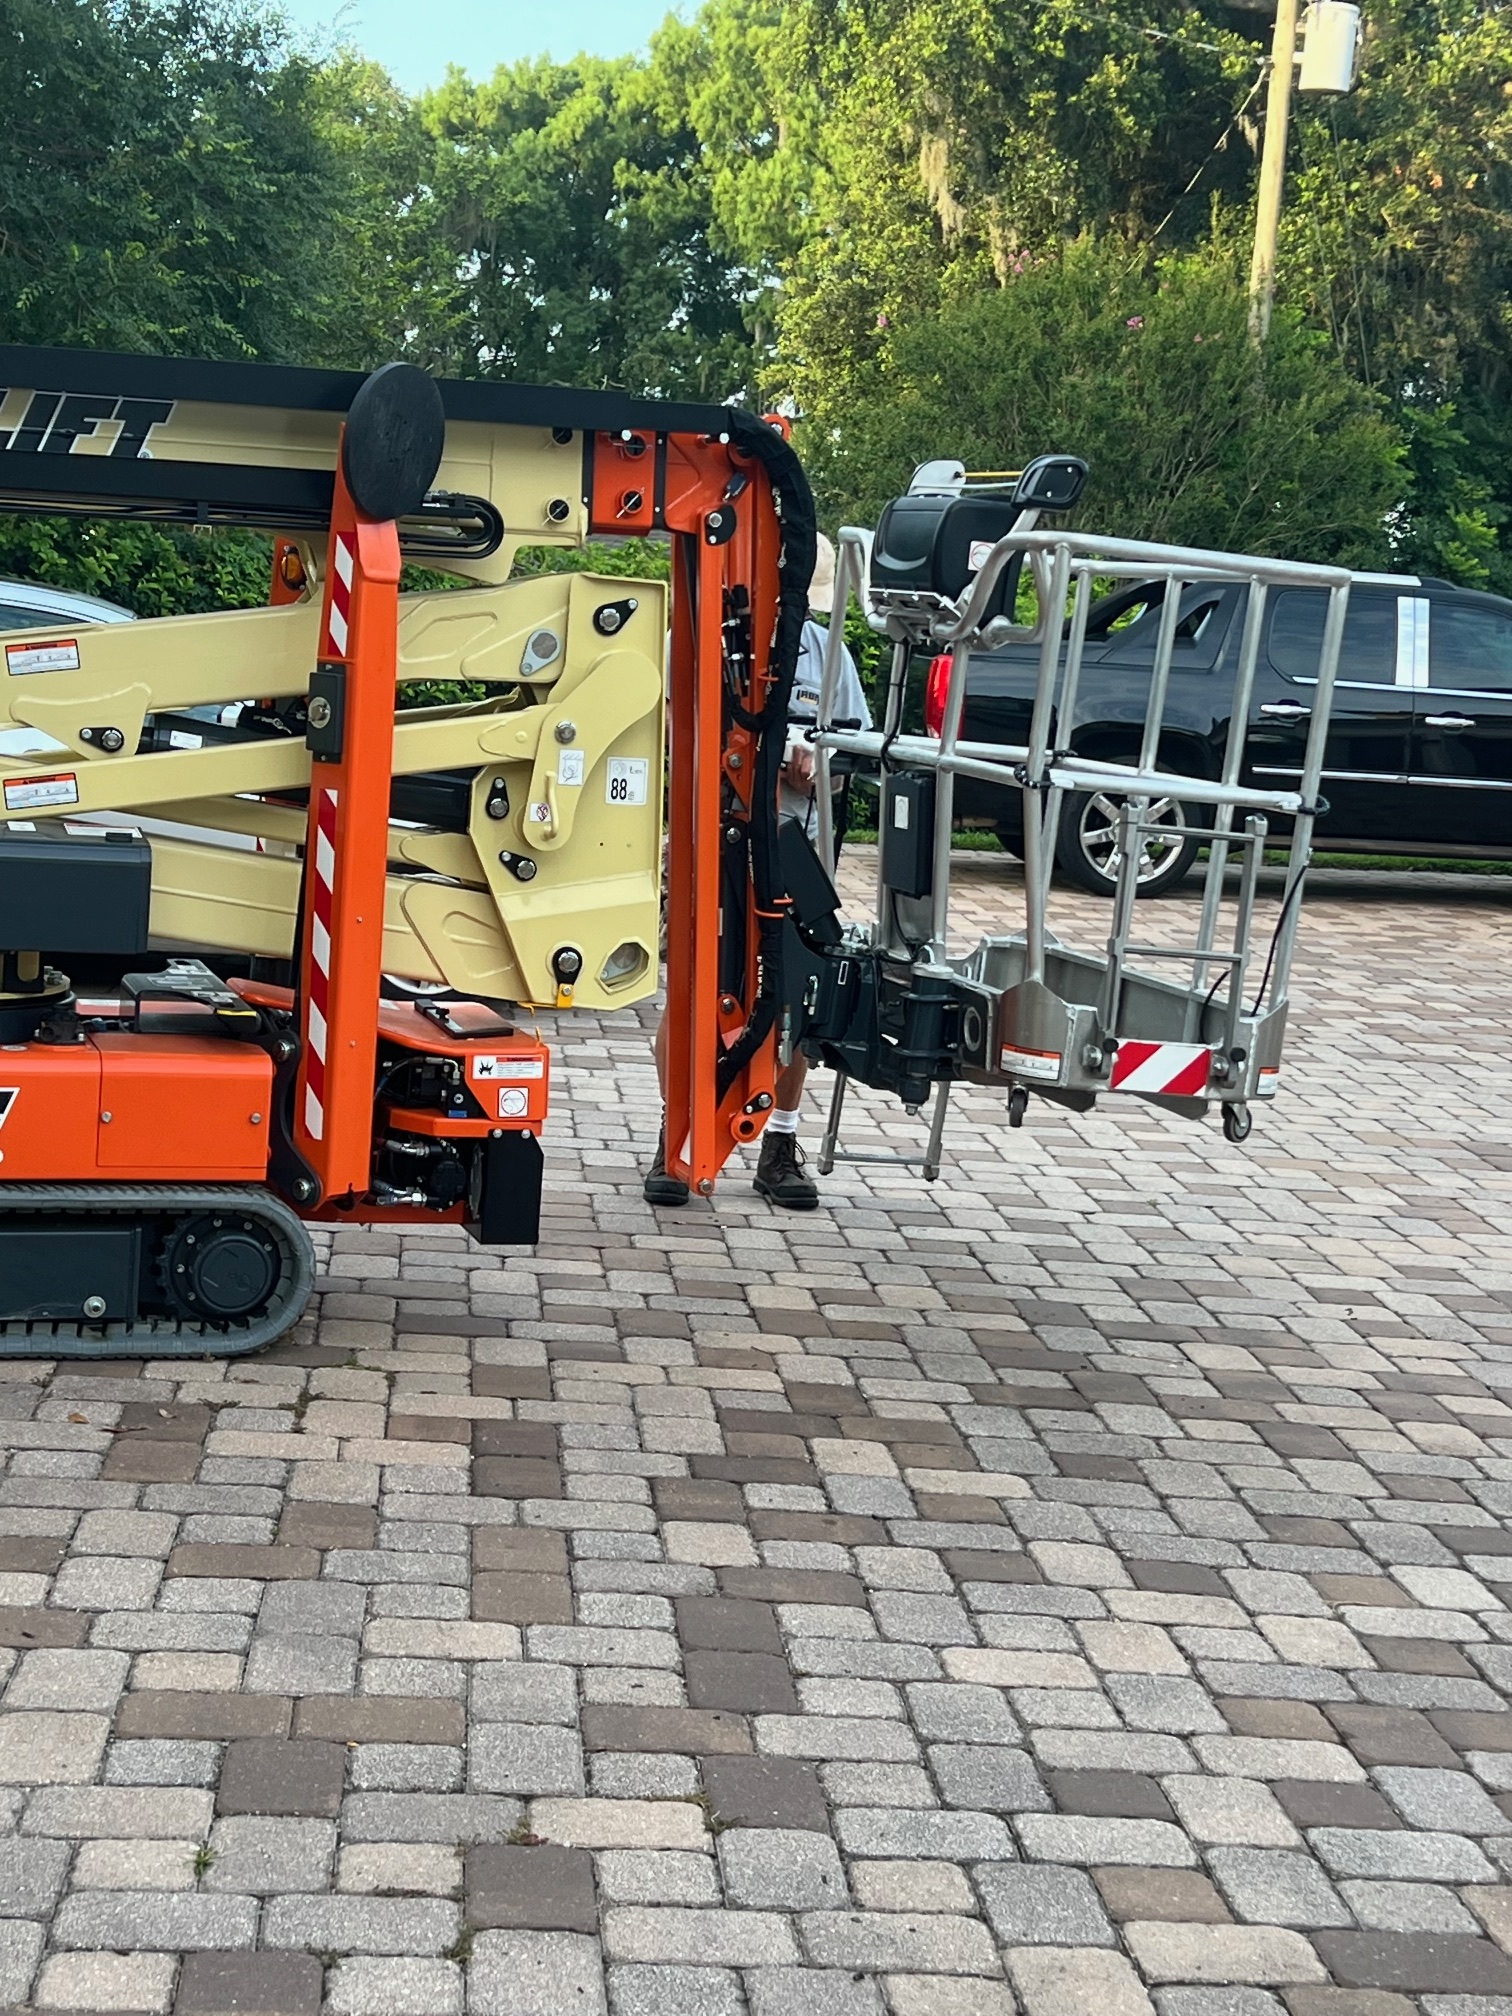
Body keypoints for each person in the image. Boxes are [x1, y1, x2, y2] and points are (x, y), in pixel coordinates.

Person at [643, 531, 872, 1210]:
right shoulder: (701, 644)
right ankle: (679, 1134)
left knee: (796, 999)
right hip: (712, 845)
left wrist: (817, 766)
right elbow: (671, 734)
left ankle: (780, 1144)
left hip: (797, 855)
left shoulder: (833, 658)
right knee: (696, 987)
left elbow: (853, 750)